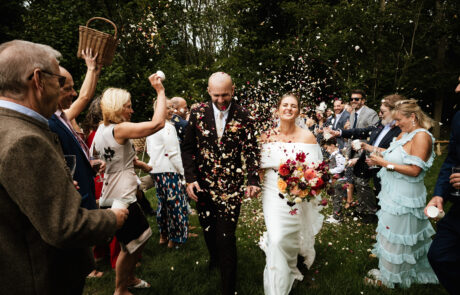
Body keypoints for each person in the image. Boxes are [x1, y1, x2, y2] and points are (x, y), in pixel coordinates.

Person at [0, 40, 127, 295]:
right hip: (42, 280)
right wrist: (113, 218)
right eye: (59, 81)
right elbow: (65, 227)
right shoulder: (25, 140)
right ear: (38, 79)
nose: (62, 92)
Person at [181, 72, 260, 295]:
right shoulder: (196, 112)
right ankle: (214, 258)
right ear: (208, 92)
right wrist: (190, 179)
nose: (221, 100)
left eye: (225, 94)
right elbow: (187, 148)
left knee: (226, 236)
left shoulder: (244, 115)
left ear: (233, 90)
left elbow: (252, 150)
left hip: (231, 187)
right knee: (209, 230)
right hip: (202, 186)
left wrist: (253, 179)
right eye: (216, 95)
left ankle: (228, 287)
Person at [91, 78, 166, 295]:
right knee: (136, 240)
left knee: (135, 241)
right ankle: (120, 290)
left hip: (110, 193)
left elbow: (109, 158)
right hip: (122, 196)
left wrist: (140, 164)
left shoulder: (101, 129)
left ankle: (130, 278)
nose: (132, 110)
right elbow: (157, 124)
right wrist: (160, 91)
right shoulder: (120, 129)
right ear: (117, 107)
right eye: (128, 106)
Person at [365, 99, 439, 288]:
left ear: (412, 116)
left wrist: (383, 164)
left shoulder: (421, 136)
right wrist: (378, 156)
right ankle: (390, 271)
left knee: (398, 237)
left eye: (399, 120)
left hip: (405, 197)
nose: (396, 124)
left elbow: (415, 170)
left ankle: (390, 281)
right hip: (392, 194)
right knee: (390, 234)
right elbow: (393, 155)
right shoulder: (405, 134)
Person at [258, 93, 324, 295]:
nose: (288, 108)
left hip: (298, 192)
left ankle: (292, 266)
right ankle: (277, 289)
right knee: (277, 237)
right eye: (284, 105)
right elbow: (260, 167)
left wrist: (303, 185)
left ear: (299, 111)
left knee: (291, 234)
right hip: (272, 190)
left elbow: (316, 169)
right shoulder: (266, 135)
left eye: (293, 106)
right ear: (277, 109)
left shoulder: (307, 136)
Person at [328, 94, 403, 221]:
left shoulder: (400, 129)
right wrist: (341, 132)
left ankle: (378, 213)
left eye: (383, 111)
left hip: (384, 162)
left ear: (394, 111)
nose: (380, 114)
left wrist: (373, 153)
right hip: (368, 157)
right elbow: (363, 131)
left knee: (381, 188)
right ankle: (365, 209)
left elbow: (397, 152)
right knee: (359, 181)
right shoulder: (382, 123)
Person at [425, 77, 460, 295]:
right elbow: (451, 160)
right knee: (439, 255)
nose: (456, 88)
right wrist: (439, 194)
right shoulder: (458, 116)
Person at [146, 99, 189, 248]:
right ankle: (175, 239)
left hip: (157, 171)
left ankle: (163, 235)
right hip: (170, 171)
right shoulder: (168, 128)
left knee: (163, 205)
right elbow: (173, 154)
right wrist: (183, 172)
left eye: (172, 107)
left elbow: (149, 151)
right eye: (167, 107)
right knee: (176, 205)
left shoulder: (150, 127)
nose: (171, 110)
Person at [322, 137, 346, 224]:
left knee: (337, 198)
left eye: (327, 148)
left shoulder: (338, 155)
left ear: (332, 146)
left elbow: (341, 168)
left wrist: (329, 171)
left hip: (339, 180)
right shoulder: (333, 155)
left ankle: (337, 217)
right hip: (334, 180)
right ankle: (335, 213)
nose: (327, 150)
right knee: (334, 197)